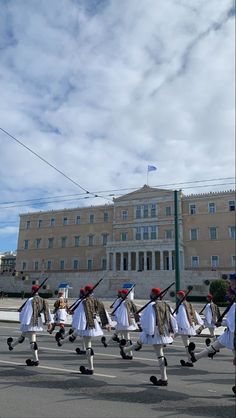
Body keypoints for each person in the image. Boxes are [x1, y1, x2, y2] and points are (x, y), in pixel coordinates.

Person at [121, 287, 178, 386]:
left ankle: (164, 378)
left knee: (159, 354)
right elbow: (172, 318)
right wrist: (172, 331)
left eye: (151, 293)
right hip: (163, 331)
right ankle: (126, 350)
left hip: (155, 332)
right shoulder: (165, 304)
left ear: (153, 295)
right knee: (142, 342)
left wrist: (139, 320)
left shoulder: (151, 305)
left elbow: (148, 320)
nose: (150, 294)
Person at [7, 284, 52, 366]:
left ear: (32, 291)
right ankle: (12, 346)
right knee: (23, 336)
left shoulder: (30, 300)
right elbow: (47, 311)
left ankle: (36, 360)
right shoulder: (43, 300)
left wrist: (21, 315)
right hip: (37, 320)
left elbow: (27, 312)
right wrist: (49, 322)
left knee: (32, 341)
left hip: (30, 321)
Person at [72, 284, 111, 375]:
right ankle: (90, 367)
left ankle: (90, 368)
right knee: (88, 345)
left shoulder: (84, 301)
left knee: (88, 346)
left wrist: (77, 324)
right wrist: (107, 324)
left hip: (86, 325)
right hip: (94, 323)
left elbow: (80, 315)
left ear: (86, 292)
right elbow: (103, 312)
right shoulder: (96, 301)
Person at [175, 290, 203, 367]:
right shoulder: (189, 304)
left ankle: (190, 361)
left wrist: (177, 324)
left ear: (180, 296)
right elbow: (194, 314)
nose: (177, 297)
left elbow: (182, 317)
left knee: (186, 345)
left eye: (178, 295)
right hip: (189, 326)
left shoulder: (181, 305)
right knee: (183, 341)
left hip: (184, 327)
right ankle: (190, 360)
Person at [56, 288, 86, 355]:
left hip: (81, 321)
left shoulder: (81, 301)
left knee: (78, 334)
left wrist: (70, 311)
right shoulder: (83, 301)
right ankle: (63, 340)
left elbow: (73, 311)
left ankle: (62, 341)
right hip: (81, 321)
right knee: (80, 334)